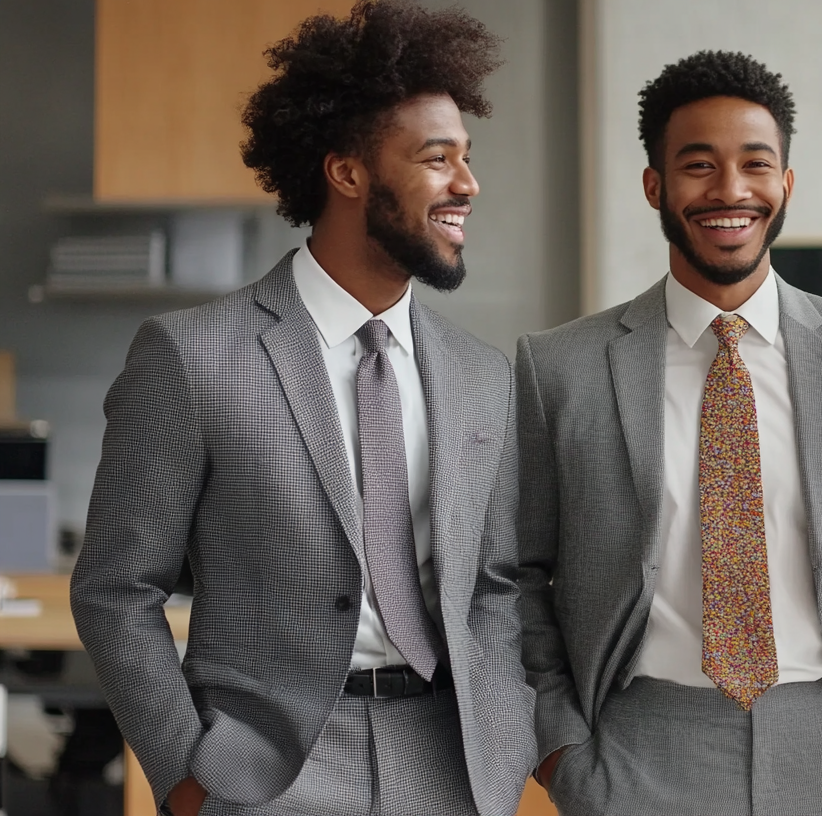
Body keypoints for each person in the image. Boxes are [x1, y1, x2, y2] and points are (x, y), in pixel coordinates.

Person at [69, 3, 535, 814]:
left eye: (468, 156)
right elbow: (116, 589)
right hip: (262, 774)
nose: (468, 184)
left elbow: (494, 588)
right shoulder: (190, 356)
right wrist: (185, 777)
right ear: (348, 173)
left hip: (452, 769)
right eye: (437, 158)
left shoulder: (480, 374)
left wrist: (510, 736)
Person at [516, 50, 822, 816]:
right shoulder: (558, 368)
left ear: (785, 183)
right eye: (699, 165)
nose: (730, 190)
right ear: (655, 185)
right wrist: (565, 756)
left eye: (756, 164)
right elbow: (517, 580)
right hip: (635, 751)